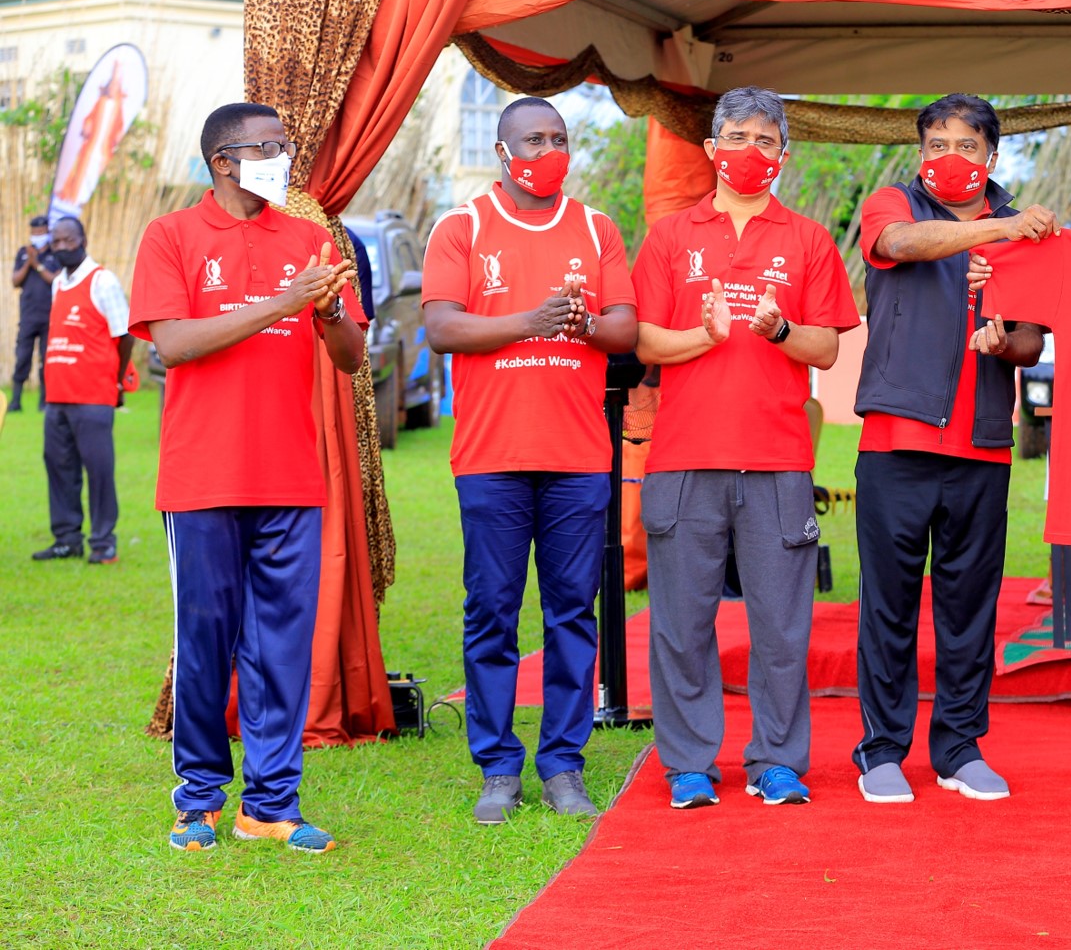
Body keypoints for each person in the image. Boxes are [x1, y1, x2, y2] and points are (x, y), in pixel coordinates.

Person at [129, 102, 365, 853]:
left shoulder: (307, 239)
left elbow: (351, 357)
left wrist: (327, 310)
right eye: (268, 147)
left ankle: (269, 804)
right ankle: (198, 798)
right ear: (223, 162)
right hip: (202, 478)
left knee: (282, 648)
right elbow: (174, 344)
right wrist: (284, 301)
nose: (282, 158)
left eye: (284, 145)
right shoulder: (171, 235)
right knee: (205, 642)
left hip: (291, 477)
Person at [632, 86, 858, 810]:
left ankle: (776, 761)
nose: (750, 151)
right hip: (683, 459)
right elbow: (643, 341)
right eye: (736, 137)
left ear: (783, 154)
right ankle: (689, 764)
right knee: (681, 624)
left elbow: (826, 347)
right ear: (710, 148)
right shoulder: (671, 237)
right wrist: (704, 336)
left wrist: (780, 330)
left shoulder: (808, 240)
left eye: (765, 140)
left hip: (778, 461)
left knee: (782, 626)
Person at [422, 97, 637, 824]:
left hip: (579, 455)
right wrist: (532, 321)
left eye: (559, 138)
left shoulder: (596, 227)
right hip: (492, 455)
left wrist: (585, 321)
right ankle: (497, 765)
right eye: (534, 139)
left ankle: (563, 764)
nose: (549, 151)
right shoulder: (463, 226)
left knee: (572, 611)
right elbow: (442, 326)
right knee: (492, 610)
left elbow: (624, 328)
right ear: (503, 150)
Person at [852, 93, 1053, 804]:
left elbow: (1031, 340)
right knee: (889, 605)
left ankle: (960, 749)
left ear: (991, 156)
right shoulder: (892, 204)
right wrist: (999, 230)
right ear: (920, 153)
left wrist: (1004, 342)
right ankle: (881, 751)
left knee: (969, 610)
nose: (950, 157)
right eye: (937, 144)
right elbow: (902, 246)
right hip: (895, 440)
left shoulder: (1026, 233)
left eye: (967, 145)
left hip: (983, 446)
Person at [31, 217, 132, 564]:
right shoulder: (58, 282)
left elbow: (125, 334)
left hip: (93, 396)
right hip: (57, 396)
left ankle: (103, 543)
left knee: (98, 471)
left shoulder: (103, 280)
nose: (61, 247)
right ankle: (67, 539)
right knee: (59, 468)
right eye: (56, 242)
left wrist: (116, 379)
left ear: (83, 240)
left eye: (68, 240)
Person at [11, 213, 61, 412]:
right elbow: (15, 281)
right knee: (22, 357)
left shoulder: (55, 253)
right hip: (28, 316)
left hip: (49, 317)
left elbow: (56, 280)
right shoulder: (24, 253)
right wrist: (28, 262)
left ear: (47, 231)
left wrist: (37, 265)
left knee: (46, 360)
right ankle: (15, 401)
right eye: (34, 232)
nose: (36, 235)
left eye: (40, 232)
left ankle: (44, 402)